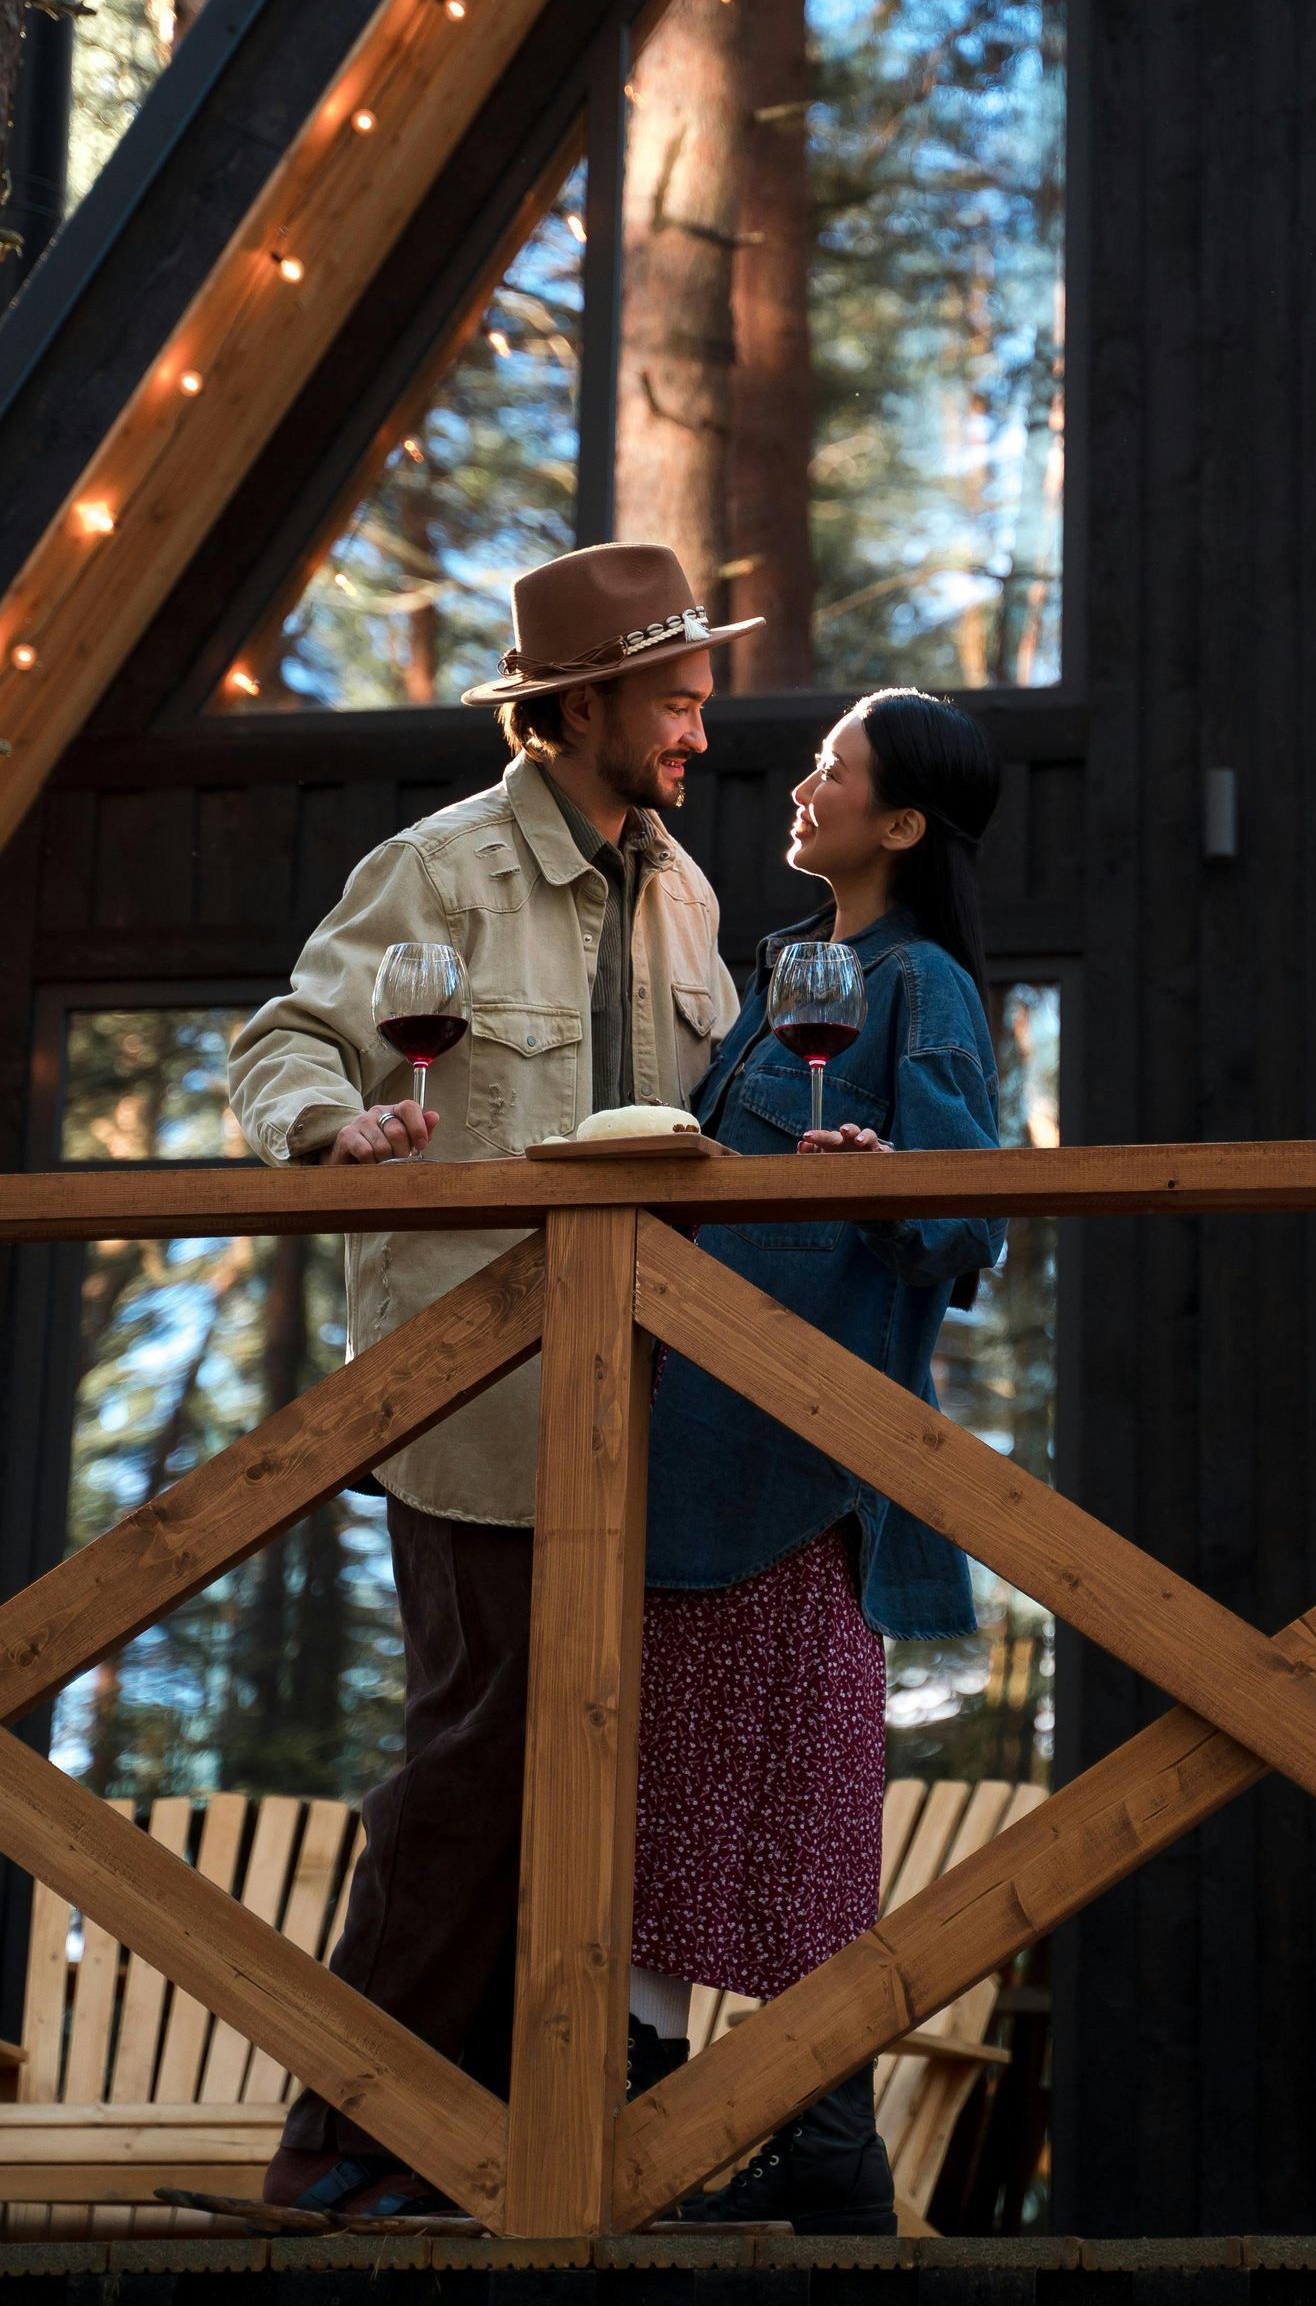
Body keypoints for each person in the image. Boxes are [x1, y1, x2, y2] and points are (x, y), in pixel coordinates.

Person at [228, 542, 758, 2220]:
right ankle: (340, 2141)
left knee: (591, 1772)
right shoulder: (440, 868)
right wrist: (336, 1126)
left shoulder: (690, 894)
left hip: (650, 1410)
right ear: (581, 704)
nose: (696, 730)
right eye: (673, 701)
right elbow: (285, 1040)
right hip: (476, 1406)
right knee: (476, 1761)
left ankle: (487, 2151)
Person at [623, 686, 1007, 2235]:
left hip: (801, 1476)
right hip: (678, 1452)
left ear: (900, 823)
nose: (801, 784)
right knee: (646, 1797)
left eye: (831, 771)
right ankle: (636, 2112)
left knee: (800, 1803)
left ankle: (824, 2139)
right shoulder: (786, 974)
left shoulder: (925, 992)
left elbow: (969, 1222)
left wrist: (889, 1177)